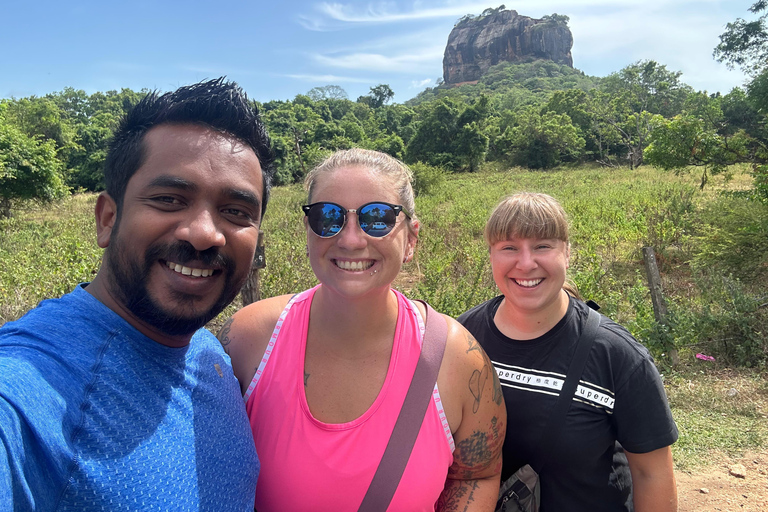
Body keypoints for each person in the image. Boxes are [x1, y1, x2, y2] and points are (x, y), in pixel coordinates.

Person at [0, 78, 274, 511]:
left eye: (236, 212)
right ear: (108, 218)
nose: (204, 234)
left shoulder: (210, 356)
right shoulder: (25, 390)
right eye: (168, 199)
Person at [219, 148, 506, 511]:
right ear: (308, 231)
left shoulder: (457, 358)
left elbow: (476, 473)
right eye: (328, 217)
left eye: (377, 218)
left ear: (411, 239)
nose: (351, 239)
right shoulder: (248, 339)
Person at [458, 192, 679, 512]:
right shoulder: (462, 338)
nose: (525, 262)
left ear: (567, 253)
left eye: (542, 246)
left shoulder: (617, 355)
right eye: (509, 247)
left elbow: (651, 473)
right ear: (491, 255)